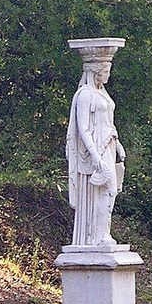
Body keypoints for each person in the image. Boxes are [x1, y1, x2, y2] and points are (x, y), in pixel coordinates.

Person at [66, 54, 125, 246]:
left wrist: (117, 144)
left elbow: (109, 121)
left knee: (112, 190)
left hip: (107, 145)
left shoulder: (103, 93)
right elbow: (82, 128)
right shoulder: (85, 95)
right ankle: (99, 236)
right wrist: (94, 154)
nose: (108, 75)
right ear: (95, 72)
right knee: (106, 189)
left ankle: (103, 232)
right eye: (105, 71)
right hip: (94, 150)